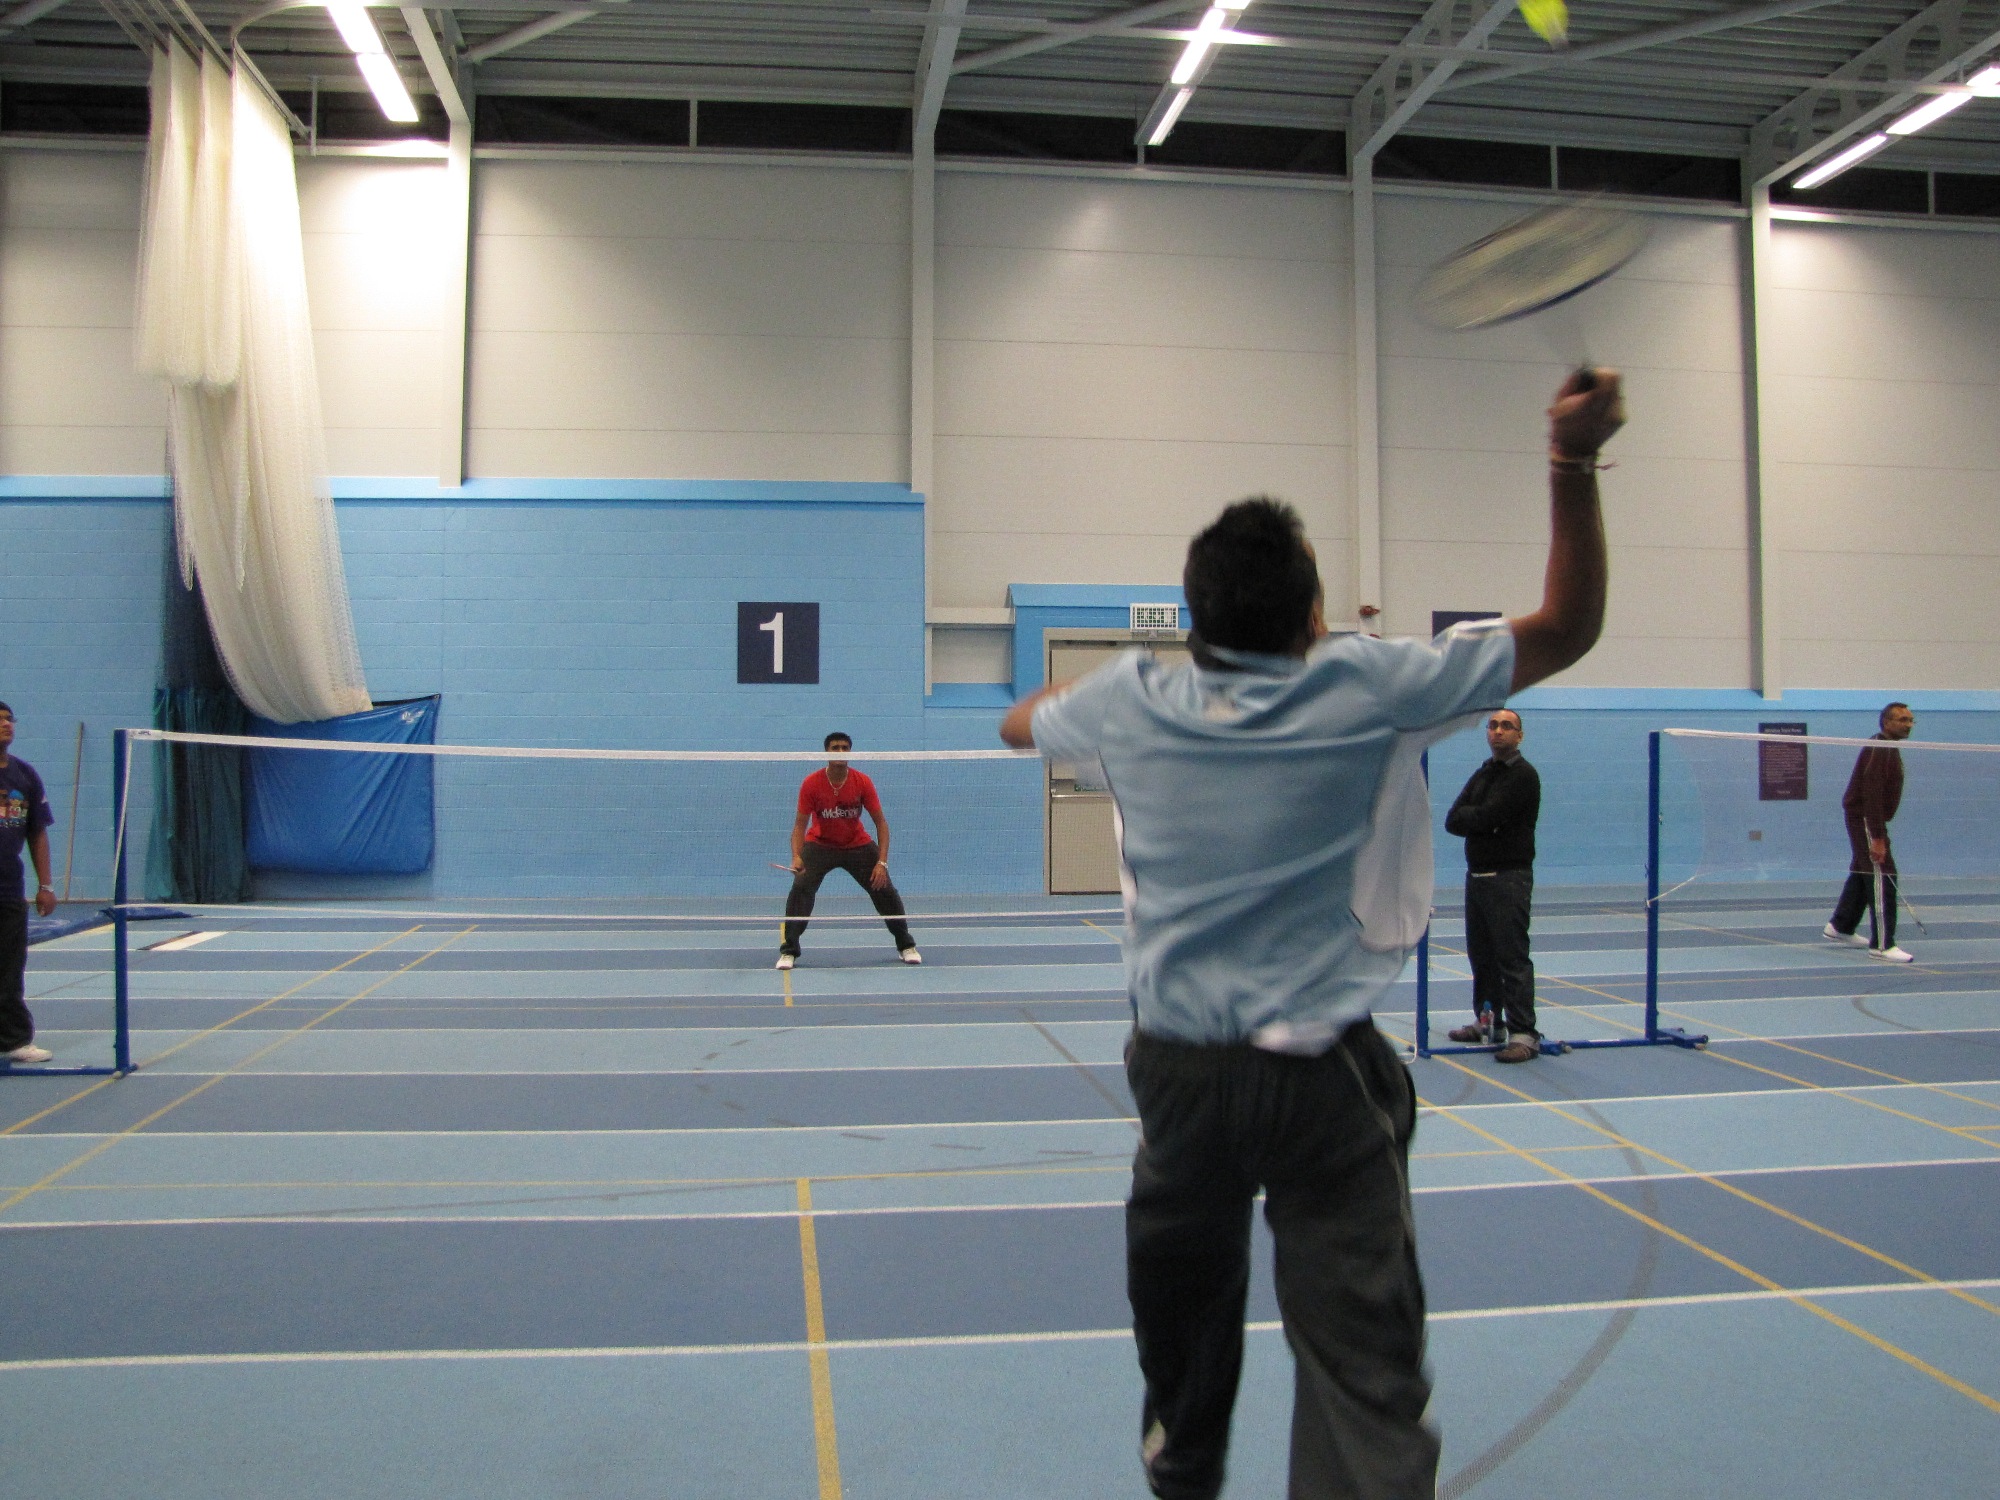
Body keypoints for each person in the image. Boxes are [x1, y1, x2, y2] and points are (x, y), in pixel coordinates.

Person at [1001, 369, 1623, 1500]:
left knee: (1179, 1320)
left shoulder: (1128, 699)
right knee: (1363, 1369)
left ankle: (1182, 1454)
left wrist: (1095, 713)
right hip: (1321, 1085)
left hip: (1177, 1082)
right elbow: (1567, 626)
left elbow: (1014, 725)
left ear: (1192, 624)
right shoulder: (1369, 684)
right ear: (1308, 617)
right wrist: (1570, 460)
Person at [1443, 708, 1543, 1063]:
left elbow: (1487, 815)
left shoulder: (1523, 776)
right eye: (1493, 725)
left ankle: (1523, 1033)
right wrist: (1480, 820)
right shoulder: (1483, 773)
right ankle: (1488, 1022)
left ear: (1519, 735)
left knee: (1511, 958)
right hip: (1477, 876)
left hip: (1508, 878)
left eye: (1507, 726)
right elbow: (1454, 819)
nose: (1498, 731)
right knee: (1481, 957)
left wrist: (1480, 818)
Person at [777, 731, 920, 970]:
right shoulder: (811, 783)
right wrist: (797, 856)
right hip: (820, 845)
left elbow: (881, 823)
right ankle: (789, 950)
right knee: (801, 889)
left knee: (884, 890)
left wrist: (882, 863)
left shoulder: (862, 781)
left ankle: (906, 945)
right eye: (835, 747)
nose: (840, 752)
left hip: (857, 845)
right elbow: (799, 826)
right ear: (826, 752)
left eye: (845, 748)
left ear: (851, 752)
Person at [1824, 701, 1915, 963]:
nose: (1908, 724)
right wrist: (1876, 836)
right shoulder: (1879, 747)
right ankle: (1883, 944)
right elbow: (1871, 793)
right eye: (1902, 720)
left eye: (1910, 720)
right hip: (1865, 819)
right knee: (1882, 873)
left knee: (1863, 871)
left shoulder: (1888, 748)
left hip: (1868, 820)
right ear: (1886, 722)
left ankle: (1841, 925)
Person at [0, 703, 58, 1065]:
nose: (5, 725)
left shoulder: (25, 776)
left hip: (8, 890)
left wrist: (46, 885)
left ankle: (13, 1040)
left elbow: (37, 832)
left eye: (8, 720)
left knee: (8, 969)